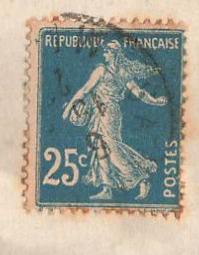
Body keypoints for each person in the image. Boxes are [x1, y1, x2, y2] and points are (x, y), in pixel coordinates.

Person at [62, 39, 167, 201]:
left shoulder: (106, 71)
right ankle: (107, 188)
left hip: (109, 113)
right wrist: (155, 101)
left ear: (114, 54)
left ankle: (140, 177)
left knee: (112, 147)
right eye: (104, 51)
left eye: (107, 51)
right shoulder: (109, 71)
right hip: (99, 112)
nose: (104, 54)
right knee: (100, 148)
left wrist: (155, 101)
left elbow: (138, 92)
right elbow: (85, 90)